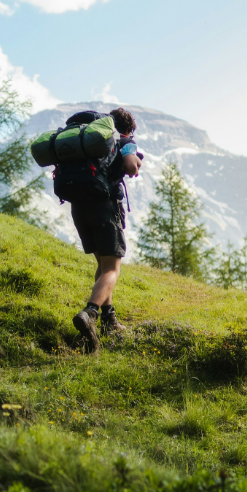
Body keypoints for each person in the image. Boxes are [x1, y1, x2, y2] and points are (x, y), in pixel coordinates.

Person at [71, 107, 143, 352]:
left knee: (102, 266)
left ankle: (109, 318)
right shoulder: (123, 140)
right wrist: (134, 160)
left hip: (79, 210)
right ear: (128, 128)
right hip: (104, 208)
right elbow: (132, 167)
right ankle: (90, 312)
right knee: (113, 269)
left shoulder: (88, 142)